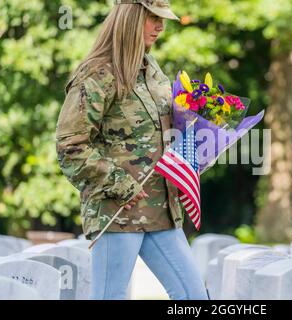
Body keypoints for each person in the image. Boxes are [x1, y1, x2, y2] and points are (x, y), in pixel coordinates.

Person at [55, 0, 209, 300]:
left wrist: (195, 145)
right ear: (130, 18)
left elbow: (166, 132)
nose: (160, 26)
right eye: (153, 18)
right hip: (117, 213)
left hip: (161, 212)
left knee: (195, 298)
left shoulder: (150, 68)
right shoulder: (98, 73)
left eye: (162, 19)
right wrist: (121, 184)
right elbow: (70, 146)